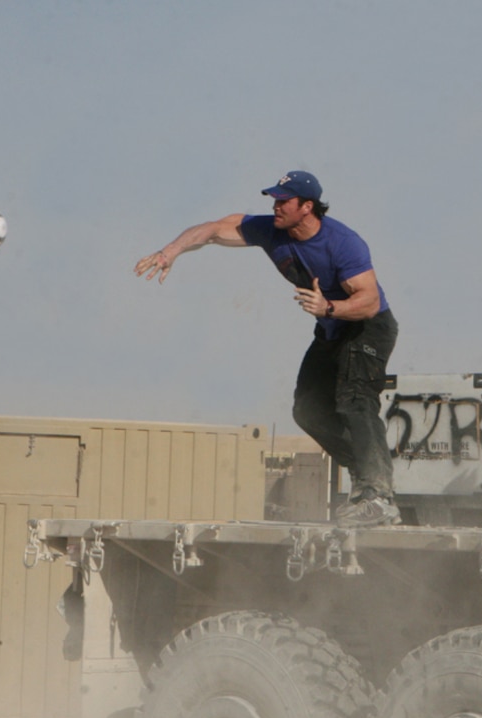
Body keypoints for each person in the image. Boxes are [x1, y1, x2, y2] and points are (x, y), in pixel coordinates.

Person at [134, 171, 400, 527]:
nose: (275, 207)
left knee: (354, 400)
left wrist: (329, 309)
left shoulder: (342, 243)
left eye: (283, 201)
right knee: (307, 410)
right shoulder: (270, 230)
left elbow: (367, 301)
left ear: (307, 207)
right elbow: (214, 229)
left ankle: (378, 497)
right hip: (331, 330)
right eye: (274, 200)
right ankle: (367, 477)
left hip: (366, 328)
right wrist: (171, 252)